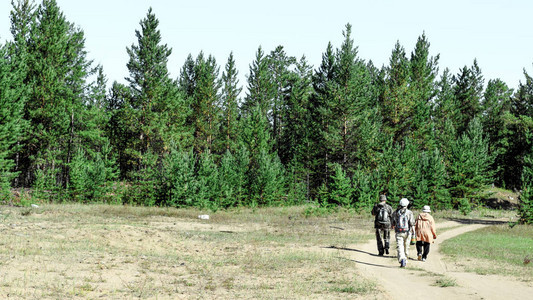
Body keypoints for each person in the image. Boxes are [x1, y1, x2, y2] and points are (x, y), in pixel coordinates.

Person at [391, 198, 415, 268]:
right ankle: (406, 256)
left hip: (399, 232)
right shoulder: (409, 212)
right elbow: (412, 223)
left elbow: (393, 223)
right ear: (407, 204)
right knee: (406, 246)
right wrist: (414, 232)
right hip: (407, 232)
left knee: (400, 246)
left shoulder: (395, 213)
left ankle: (402, 258)